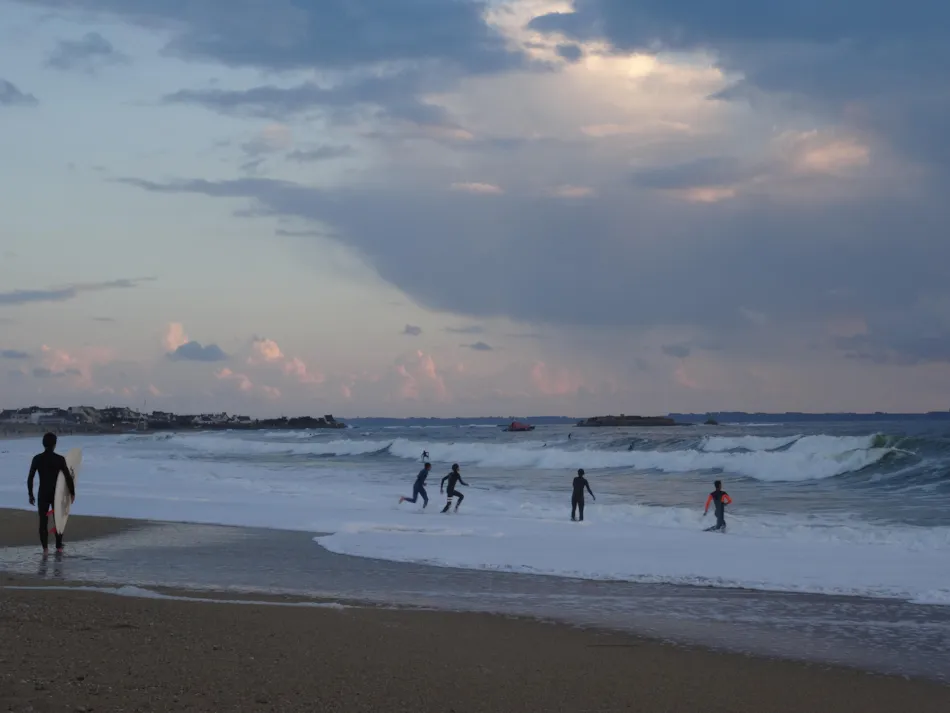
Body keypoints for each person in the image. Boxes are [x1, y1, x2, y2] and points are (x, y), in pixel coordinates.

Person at [27, 432, 75, 554]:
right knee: (58, 520)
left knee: (43, 521)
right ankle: (59, 547)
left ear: (43, 444)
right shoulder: (59, 459)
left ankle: (45, 549)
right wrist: (72, 492)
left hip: (43, 493)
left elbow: (30, 477)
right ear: (55, 444)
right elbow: (68, 477)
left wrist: (30, 494)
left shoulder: (37, 458)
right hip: (56, 494)